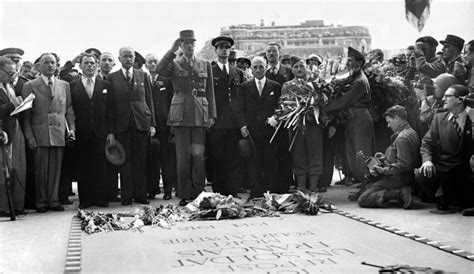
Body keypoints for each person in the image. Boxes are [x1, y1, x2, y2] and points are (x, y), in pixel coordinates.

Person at [156, 30, 216, 206]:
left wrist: (212, 115)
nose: (189, 46)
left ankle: (198, 193)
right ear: (181, 46)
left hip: (199, 114)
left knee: (198, 157)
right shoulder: (174, 64)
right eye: (185, 43)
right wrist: (171, 50)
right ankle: (184, 193)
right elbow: (159, 69)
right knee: (182, 157)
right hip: (181, 115)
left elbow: (210, 91)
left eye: (192, 43)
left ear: (195, 45)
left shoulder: (205, 64)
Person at [22, 53, 76, 213]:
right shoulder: (30, 85)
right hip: (40, 133)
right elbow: (26, 115)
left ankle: (54, 200)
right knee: (41, 170)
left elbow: (69, 110)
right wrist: (29, 136)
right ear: (39, 66)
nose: (50, 65)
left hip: (59, 132)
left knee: (56, 169)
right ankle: (41, 201)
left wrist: (71, 129)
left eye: (53, 62)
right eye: (46, 62)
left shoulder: (64, 85)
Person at [106, 47, 156, 206]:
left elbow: (149, 100)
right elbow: (110, 107)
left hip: (141, 123)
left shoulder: (143, 75)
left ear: (134, 59)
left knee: (141, 161)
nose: (128, 59)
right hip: (122, 125)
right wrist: (111, 131)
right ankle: (127, 195)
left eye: (131, 56)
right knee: (125, 162)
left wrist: (152, 124)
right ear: (119, 59)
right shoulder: (112, 77)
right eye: (125, 56)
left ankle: (141, 194)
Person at [416, 84, 473, 213]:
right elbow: (426, 142)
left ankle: (452, 197)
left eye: (448, 96)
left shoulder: (472, 117)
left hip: (466, 168)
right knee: (421, 174)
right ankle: (441, 195)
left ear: (460, 99)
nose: (443, 99)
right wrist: (427, 161)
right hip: (444, 166)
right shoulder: (439, 118)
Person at [324, 47, 375, 185]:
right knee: (354, 152)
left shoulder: (359, 81)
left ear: (359, 63)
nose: (347, 63)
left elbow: (344, 101)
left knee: (362, 152)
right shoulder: (355, 77)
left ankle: (368, 183)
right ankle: (364, 183)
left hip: (360, 118)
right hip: (354, 118)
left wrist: (323, 107)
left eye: (350, 61)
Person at [234, 56, 281, 198]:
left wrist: (275, 117)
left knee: (269, 160)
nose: (258, 70)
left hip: (269, 130)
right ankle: (255, 192)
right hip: (252, 130)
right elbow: (239, 109)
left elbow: (280, 106)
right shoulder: (244, 87)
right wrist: (242, 125)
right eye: (255, 67)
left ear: (266, 67)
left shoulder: (275, 86)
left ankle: (268, 190)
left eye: (261, 66)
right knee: (253, 162)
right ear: (251, 69)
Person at [358, 105, 420, 209]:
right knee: (368, 188)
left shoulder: (402, 138)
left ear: (397, 118)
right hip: (402, 176)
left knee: (364, 198)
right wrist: (384, 157)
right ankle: (399, 193)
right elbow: (400, 157)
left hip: (398, 178)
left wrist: (382, 170)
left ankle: (399, 193)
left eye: (389, 122)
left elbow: (403, 165)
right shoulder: (410, 132)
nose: (388, 125)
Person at [70, 53, 110, 209]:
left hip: (100, 132)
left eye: (93, 63)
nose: (90, 66)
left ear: (97, 65)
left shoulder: (105, 85)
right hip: (81, 132)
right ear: (80, 66)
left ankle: (100, 198)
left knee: (100, 167)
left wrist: (110, 132)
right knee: (83, 167)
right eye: (86, 63)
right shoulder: (72, 86)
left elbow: (110, 111)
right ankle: (85, 200)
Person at [279, 56, 324, 193]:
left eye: (301, 66)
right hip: (295, 125)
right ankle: (301, 187)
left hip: (313, 124)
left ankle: (314, 186)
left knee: (315, 153)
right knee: (298, 154)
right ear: (292, 70)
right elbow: (283, 106)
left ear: (307, 68)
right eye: (296, 67)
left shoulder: (315, 84)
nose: (299, 69)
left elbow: (322, 103)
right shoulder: (287, 86)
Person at [207, 36, 245, 197]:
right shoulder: (210, 70)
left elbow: (241, 98)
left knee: (233, 157)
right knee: (217, 157)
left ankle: (233, 190)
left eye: (227, 48)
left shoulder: (238, 72)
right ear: (216, 50)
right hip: (217, 121)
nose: (224, 50)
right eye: (221, 47)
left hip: (233, 122)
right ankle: (219, 191)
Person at [145, 53, 177, 200]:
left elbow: (172, 102)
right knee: (151, 160)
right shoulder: (143, 80)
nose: (152, 64)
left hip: (164, 126)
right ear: (145, 65)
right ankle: (152, 189)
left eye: (155, 62)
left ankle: (168, 190)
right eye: (150, 62)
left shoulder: (166, 81)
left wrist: (171, 124)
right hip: (149, 126)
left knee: (166, 159)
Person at [265, 42, 294, 193]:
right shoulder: (262, 72)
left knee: (285, 152)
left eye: (274, 52)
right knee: (270, 152)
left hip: (287, 119)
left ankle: (285, 185)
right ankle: (272, 185)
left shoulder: (288, 72)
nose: (271, 54)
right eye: (269, 52)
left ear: (279, 54)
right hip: (269, 120)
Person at [0, 57, 26, 214]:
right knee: (3, 171)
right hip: (3, 131)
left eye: (14, 72)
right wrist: (13, 104)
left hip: (14, 129)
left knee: (16, 168)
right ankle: (4, 207)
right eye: (8, 73)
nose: (12, 76)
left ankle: (16, 205)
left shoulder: (9, 86)